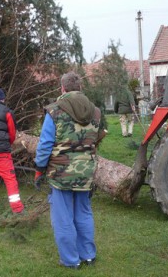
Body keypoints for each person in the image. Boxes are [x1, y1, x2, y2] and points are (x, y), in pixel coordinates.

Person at [34, 72, 106, 269]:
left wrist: (40, 168)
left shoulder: (54, 111)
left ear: (62, 88)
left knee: (63, 217)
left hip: (60, 173)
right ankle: (88, 255)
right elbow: (95, 138)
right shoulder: (96, 112)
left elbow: (45, 144)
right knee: (83, 213)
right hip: (85, 172)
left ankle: (70, 260)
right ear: (81, 88)